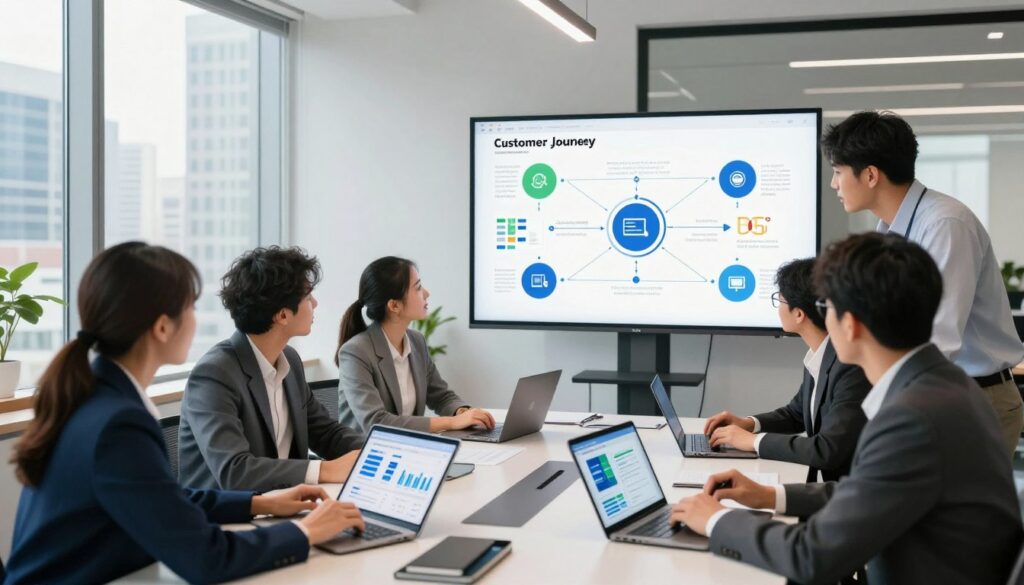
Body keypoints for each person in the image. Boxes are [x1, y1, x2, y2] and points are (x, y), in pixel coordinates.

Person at [670, 233, 1022, 585]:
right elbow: (873, 489)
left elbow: (812, 555)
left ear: (850, 324)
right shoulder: (946, 384)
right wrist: (769, 495)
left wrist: (717, 521)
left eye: (827, 308)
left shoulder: (913, 417)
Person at [4, 243, 364, 585]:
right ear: (162, 327)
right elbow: (206, 558)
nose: (196, 319)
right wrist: (305, 531)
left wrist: (258, 503)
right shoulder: (118, 423)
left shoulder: (98, 396)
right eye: (190, 307)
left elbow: (163, 498)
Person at [822, 110, 1024, 457]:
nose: (834, 184)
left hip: (976, 397)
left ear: (870, 175)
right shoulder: (891, 230)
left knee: (956, 511)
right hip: (937, 391)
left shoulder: (945, 224)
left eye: (838, 172)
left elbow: (937, 337)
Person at [178, 246, 363, 491]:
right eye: (308, 297)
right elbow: (235, 471)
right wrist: (326, 470)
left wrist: (381, 451)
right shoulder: (215, 374)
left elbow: (325, 433)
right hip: (228, 519)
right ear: (283, 316)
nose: (315, 303)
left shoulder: (289, 360)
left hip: (282, 504)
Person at [703, 258, 870, 481]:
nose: (778, 307)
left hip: (852, 496)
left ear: (799, 313)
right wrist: (749, 424)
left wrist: (752, 441)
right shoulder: (820, 354)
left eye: (779, 299)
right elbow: (796, 413)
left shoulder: (849, 366)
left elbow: (826, 450)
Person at [336, 256, 494, 434]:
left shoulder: (416, 341)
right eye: (418, 287)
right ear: (394, 305)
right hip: (364, 455)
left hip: (409, 450)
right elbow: (376, 422)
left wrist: (462, 413)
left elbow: (441, 396)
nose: (426, 293)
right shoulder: (356, 352)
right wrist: (451, 422)